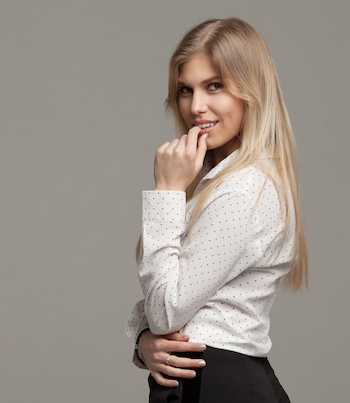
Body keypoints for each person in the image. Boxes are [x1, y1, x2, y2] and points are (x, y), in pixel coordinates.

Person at [125, 17, 308, 402]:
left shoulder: (243, 189)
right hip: (208, 378)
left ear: (251, 91)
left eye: (215, 86)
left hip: (216, 383)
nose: (196, 106)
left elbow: (166, 310)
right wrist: (145, 342)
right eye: (185, 90)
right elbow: (172, 302)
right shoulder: (222, 182)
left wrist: (167, 191)